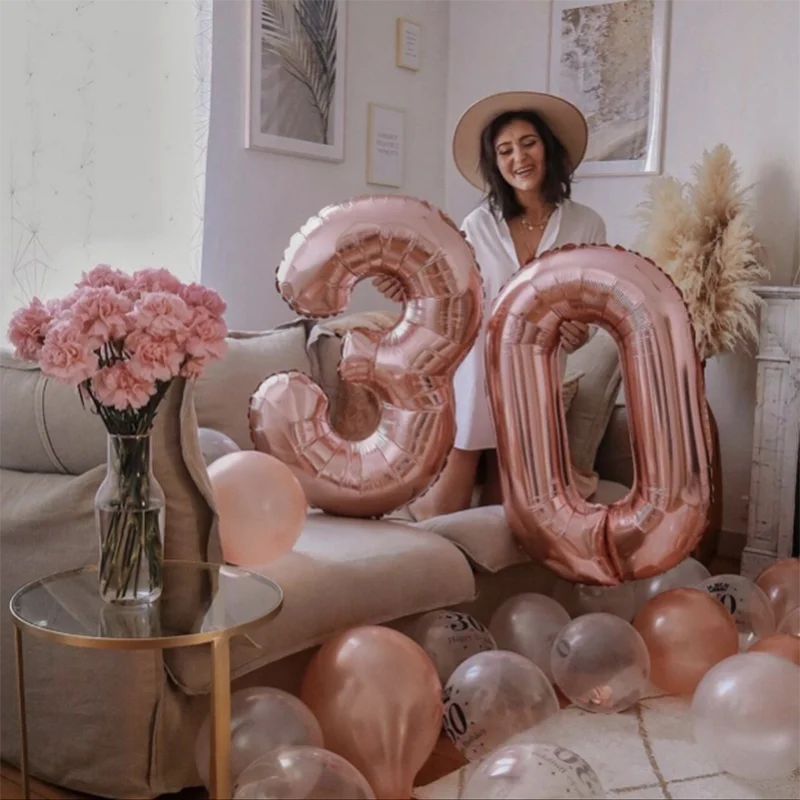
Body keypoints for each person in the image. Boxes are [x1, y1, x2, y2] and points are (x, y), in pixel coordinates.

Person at [374, 91, 608, 520]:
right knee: (447, 504)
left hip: (538, 370)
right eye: (505, 150)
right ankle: (416, 528)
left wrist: (581, 331)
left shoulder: (586, 224)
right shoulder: (478, 224)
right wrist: (406, 286)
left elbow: (589, 306)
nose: (519, 157)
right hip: (478, 366)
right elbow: (453, 293)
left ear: (548, 149)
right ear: (496, 163)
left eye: (528, 143)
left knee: (505, 510)